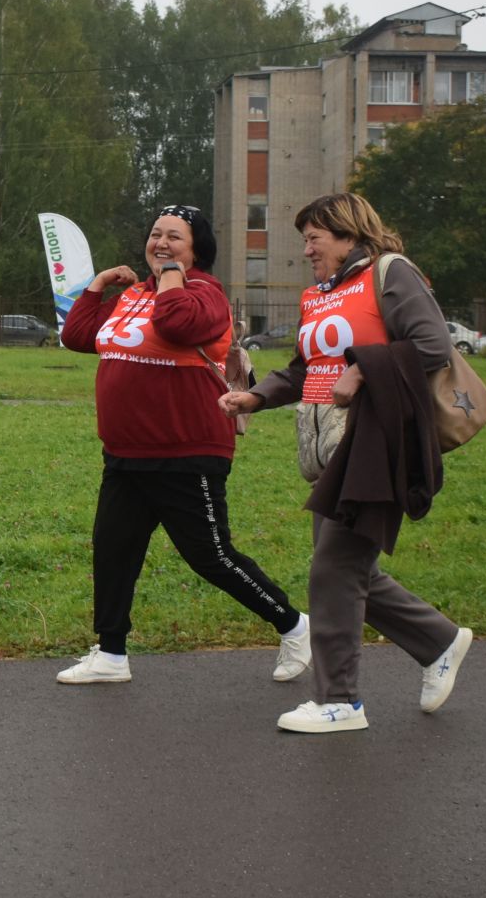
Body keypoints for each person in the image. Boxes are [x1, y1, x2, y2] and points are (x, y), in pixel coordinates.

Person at [220, 193, 473, 734]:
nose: (307, 249)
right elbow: (303, 368)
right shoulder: (320, 294)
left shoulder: (391, 273)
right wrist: (256, 397)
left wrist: (362, 369)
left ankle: (339, 701)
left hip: (375, 442)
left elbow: (432, 345)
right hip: (329, 450)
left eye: (315, 238)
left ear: (347, 233)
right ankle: (439, 641)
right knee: (349, 570)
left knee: (333, 569)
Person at [54, 204, 311, 686]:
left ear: (198, 250)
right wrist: (97, 286)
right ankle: (110, 653)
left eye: (176, 237)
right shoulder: (134, 295)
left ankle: (295, 626)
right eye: (156, 235)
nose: (162, 243)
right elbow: (79, 335)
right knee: (113, 550)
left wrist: (173, 276)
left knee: (211, 556)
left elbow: (175, 325)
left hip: (186, 451)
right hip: (126, 453)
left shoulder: (207, 294)